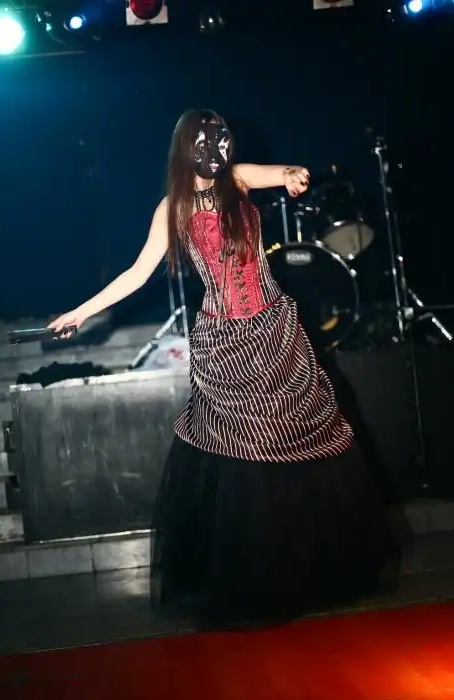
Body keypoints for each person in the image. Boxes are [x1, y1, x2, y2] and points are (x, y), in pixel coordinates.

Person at [49, 109, 397, 628]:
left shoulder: (236, 179)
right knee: (243, 460)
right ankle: (255, 574)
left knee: (291, 443)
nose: (216, 149)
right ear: (185, 148)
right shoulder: (174, 206)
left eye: (222, 139)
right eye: (204, 141)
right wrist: (79, 312)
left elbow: (276, 172)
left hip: (273, 333)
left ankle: (303, 565)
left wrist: (292, 174)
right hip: (226, 344)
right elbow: (137, 273)